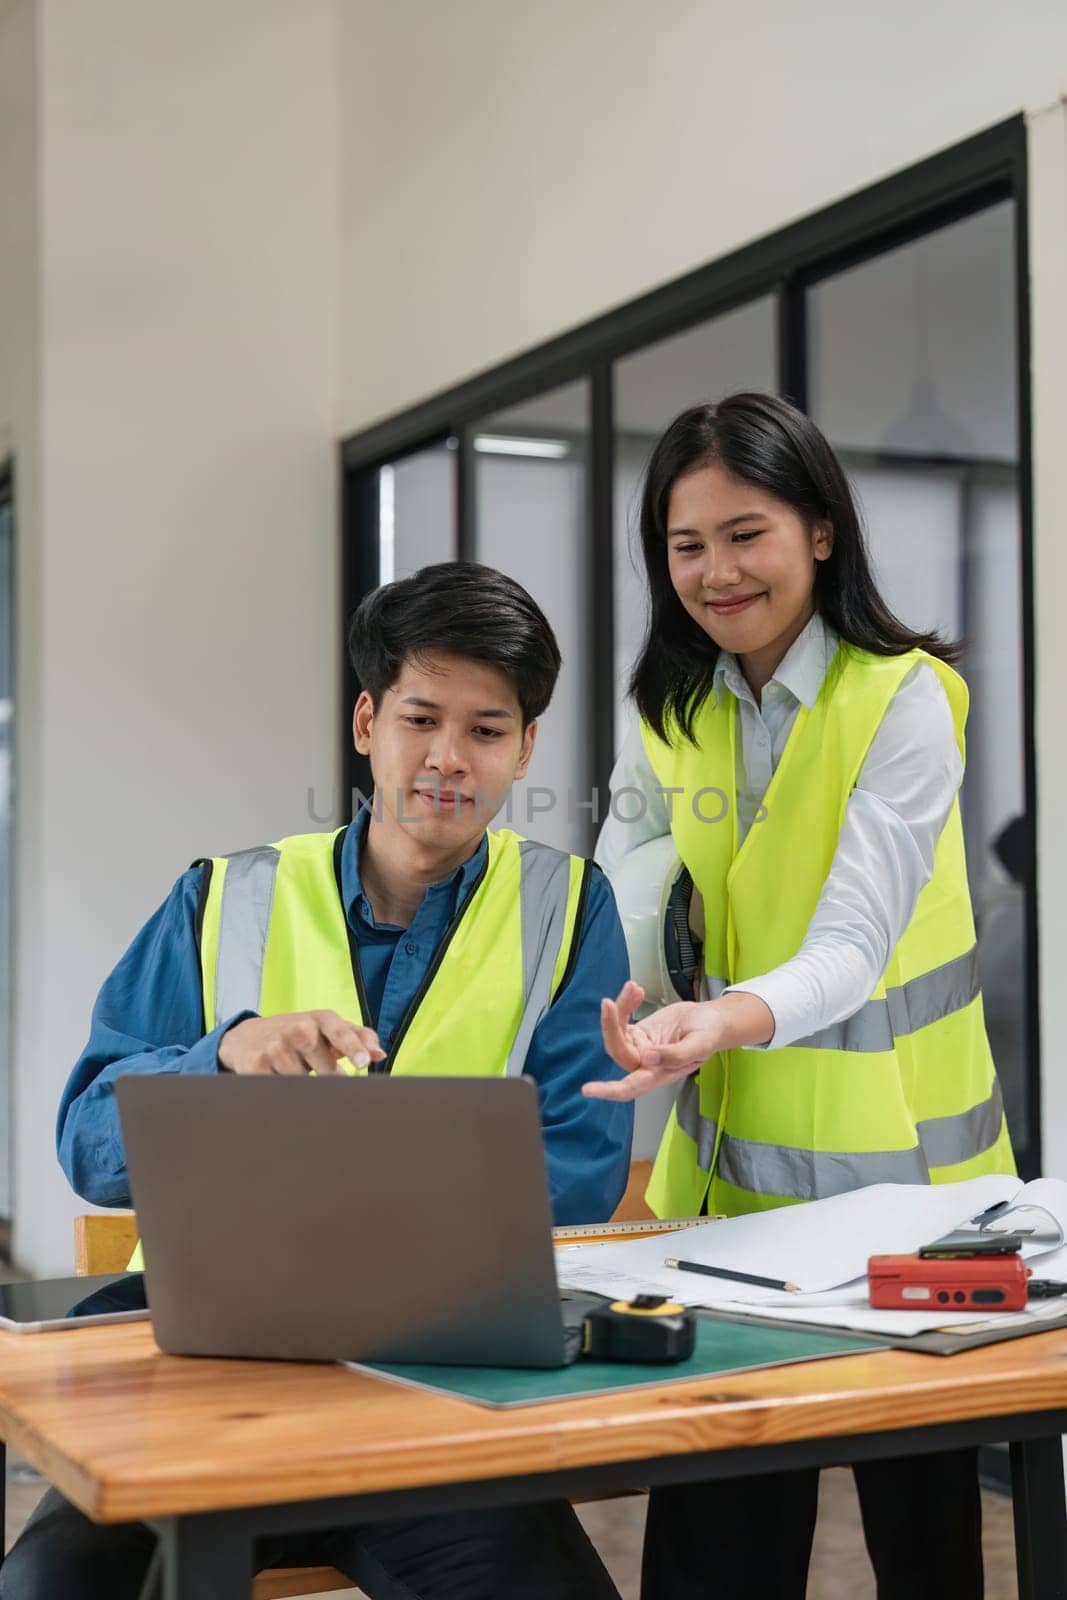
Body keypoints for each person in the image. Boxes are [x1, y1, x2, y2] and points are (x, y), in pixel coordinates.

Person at [3, 562, 631, 1600]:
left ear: (524, 747)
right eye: (419, 717)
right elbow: (88, 1146)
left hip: (440, 1386)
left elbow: (576, 1172)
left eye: (485, 729)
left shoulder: (570, 908)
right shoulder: (219, 898)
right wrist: (224, 1056)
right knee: (45, 1590)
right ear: (365, 721)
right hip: (205, 1374)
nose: (446, 758)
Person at [585, 393, 1015, 1600]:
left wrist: (711, 1018)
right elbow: (624, 881)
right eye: (684, 546)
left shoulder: (903, 701)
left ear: (819, 531)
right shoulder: (669, 708)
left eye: (744, 533)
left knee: (924, 1553)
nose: (714, 572)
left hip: (908, 1215)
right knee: (713, 1556)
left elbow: (852, 945)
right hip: (724, 1211)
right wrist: (647, 982)